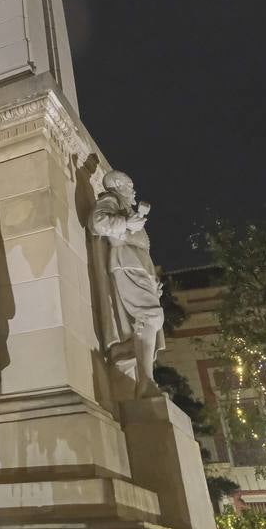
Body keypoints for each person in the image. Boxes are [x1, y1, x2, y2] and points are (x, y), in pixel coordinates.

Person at [88, 169, 166, 398]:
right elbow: (97, 222)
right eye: (129, 185)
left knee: (149, 322)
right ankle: (145, 382)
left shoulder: (124, 205)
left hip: (138, 265)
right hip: (126, 262)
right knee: (151, 317)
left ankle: (120, 354)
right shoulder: (111, 199)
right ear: (117, 185)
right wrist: (126, 222)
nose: (133, 190)